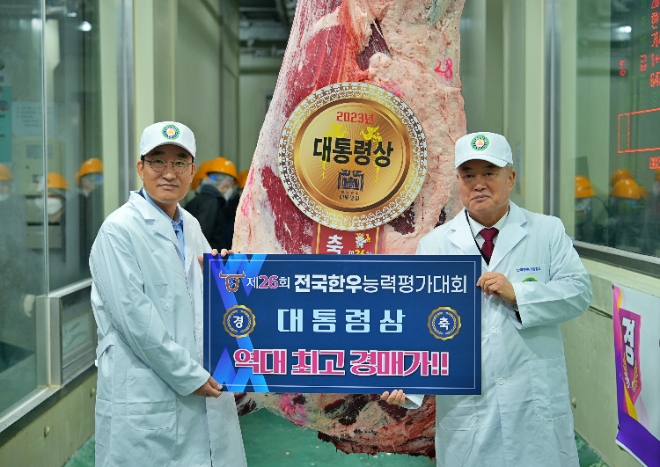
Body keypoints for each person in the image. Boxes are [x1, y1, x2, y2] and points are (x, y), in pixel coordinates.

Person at [382, 132, 593, 467]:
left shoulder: (546, 231)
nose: (478, 184)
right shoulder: (435, 245)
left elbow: (579, 292)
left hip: (533, 403)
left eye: (489, 172)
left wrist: (520, 294)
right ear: (458, 182)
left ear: (511, 177)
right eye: (468, 175)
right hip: (469, 410)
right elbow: (422, 323)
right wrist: (408, 381)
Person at [89, 121, 247, 467]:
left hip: (202, 382)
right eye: (158, 161)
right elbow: (136, 322)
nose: (169, 172)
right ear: (140, 168)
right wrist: (189, 375)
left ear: (192, 170)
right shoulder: (118, 231)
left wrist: (221, 275)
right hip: (149, 392)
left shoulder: (190, 225)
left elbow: (201, 303)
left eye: (179, 162)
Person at [185, 157, 237, 250]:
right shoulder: (211, 203)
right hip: (204, 257)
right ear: (226, 181)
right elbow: (201, 238)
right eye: (232, 184)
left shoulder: (199, 199)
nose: (231, 188)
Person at [76, 157, 104, 262]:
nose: (96, 181)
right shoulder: (75, 203)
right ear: (82, 180)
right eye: (91, 177)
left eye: (99, 177)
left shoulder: (101, 199)